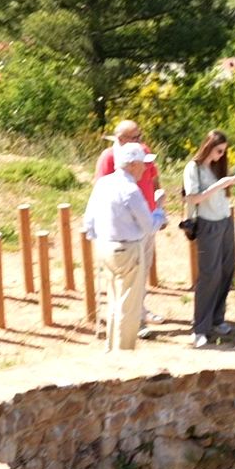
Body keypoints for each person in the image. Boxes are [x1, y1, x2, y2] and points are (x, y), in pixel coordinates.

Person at [82, 141, 155, 351]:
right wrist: (159, 211)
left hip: (105, 247)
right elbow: (148, 225)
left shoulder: (103, 184)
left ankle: (111, 347)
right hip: (127, 249)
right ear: (132, 164)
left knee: (114, 301)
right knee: (129, 307)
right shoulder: (131, 190)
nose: (145, 168)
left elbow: (89, 221)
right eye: (142, 163)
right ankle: (123, 355)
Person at [96, 120, 164, 327]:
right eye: (136, 137)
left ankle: (139, 310)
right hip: (125, 226)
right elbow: (100, 189)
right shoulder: (109, 157)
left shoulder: (142, 151)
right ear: (120, 139)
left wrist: (158, 207)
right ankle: (129, 319)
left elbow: (153, 178)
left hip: (147, 219)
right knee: (126, 274)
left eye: (140, 135)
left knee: (143, 268)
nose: (141, 141)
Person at [182, 130, 235, 348]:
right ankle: (200, 328)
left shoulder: (217, 166)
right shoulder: (193, 168)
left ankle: (217, 318)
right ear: (208, 146)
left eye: (224, 151)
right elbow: (193, 197)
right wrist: (220, 185)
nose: (221, 155)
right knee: (209, 275)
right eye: (218, 150)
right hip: (207, 223)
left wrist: (225, 183)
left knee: (227, 271)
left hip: (225, 221)